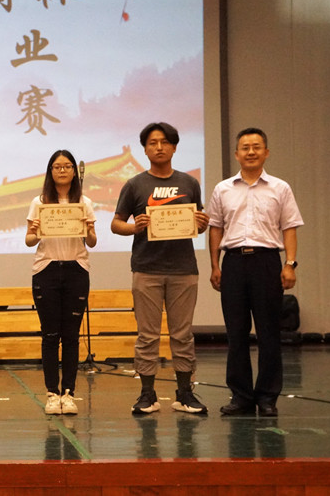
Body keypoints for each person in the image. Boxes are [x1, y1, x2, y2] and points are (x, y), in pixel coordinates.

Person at [111, 122, 210, 415]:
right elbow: (116, 224)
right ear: (144, 149)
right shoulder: (134, 184)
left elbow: (197, 220)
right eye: (153, 142)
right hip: (146, 268)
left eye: (165, 142)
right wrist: (134, 227)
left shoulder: (189, 183)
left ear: (174, 147)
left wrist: (202, 223)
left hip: (184, 269)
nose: (159, 147)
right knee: (147, 335)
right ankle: (147, 394)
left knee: (183, 335)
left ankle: (184, 393)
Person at [208, 127, 303, 417]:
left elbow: (289, 227)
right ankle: (241, 397)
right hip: (233, 263)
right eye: (245, 147)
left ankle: (267, 397)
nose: (251, 152)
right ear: (237, 154)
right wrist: (215, 265)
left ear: (266, 152)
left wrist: (290, 264)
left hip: (267, 262)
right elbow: (215, 228)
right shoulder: (222, 189)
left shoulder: (280, 188)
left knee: (268, 333)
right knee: (236, 333)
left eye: (256, 147)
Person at [25, 150, 97, 415]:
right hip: (46, 269)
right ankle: (51, 394)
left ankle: (68, 393)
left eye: (67, 166)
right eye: (57, 166)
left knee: (71, 336)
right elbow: (29, 240)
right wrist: (37, 230)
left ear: (74, 171)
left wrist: (88, 229)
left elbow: (92, 242)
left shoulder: (84, 202)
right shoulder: (39, 202)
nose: (63, 170)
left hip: (77, 269)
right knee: (50, 335)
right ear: (50, 171)